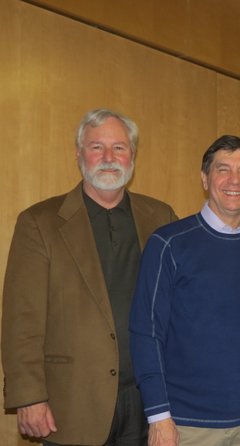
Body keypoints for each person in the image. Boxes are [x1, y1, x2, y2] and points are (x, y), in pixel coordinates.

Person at [1, 109, 177, 445]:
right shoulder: (40, 222)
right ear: (79, 154)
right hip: (72, 404)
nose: (109, 158)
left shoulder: (161, 217)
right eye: (97, 147)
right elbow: (21, 318)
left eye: (120, 148)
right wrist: (29, 396)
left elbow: (193, 284)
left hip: (148, 404)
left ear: (133, 156)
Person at [129, 135, 240, 446]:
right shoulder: (169, 244)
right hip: (186, 423)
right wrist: (158, 416)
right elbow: (146, 332)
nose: (234, 180)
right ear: (204, 178)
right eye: (223, 169)